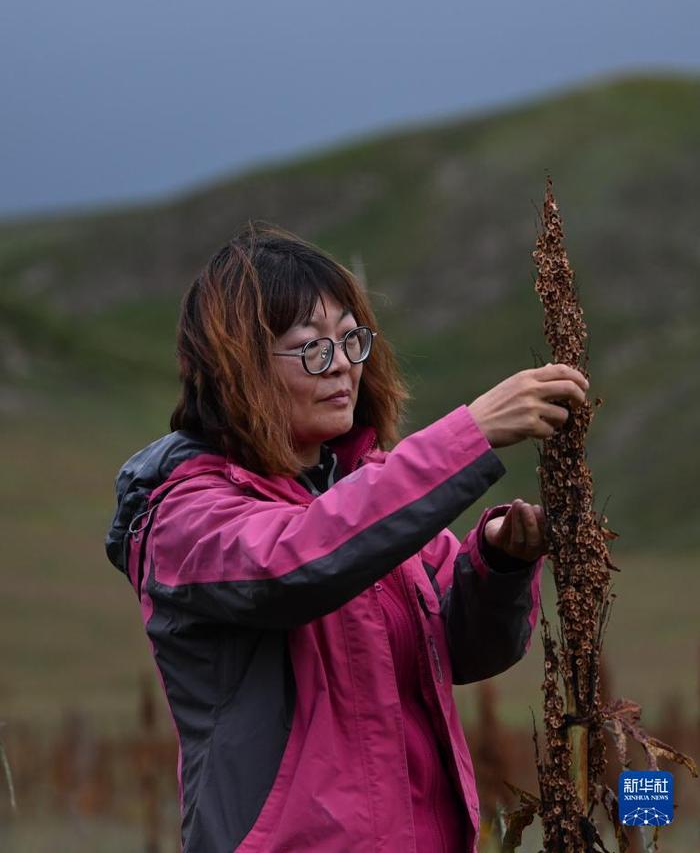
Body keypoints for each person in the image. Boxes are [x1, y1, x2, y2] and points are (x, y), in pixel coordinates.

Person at [106, 222, 589, 853]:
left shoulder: (363, 493)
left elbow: (461, 649)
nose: (342, 368)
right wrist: (470, 434)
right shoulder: (184, 516)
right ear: (238, 369)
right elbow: (293, 564)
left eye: (351, 340)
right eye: (311, 348)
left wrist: (495, 565)